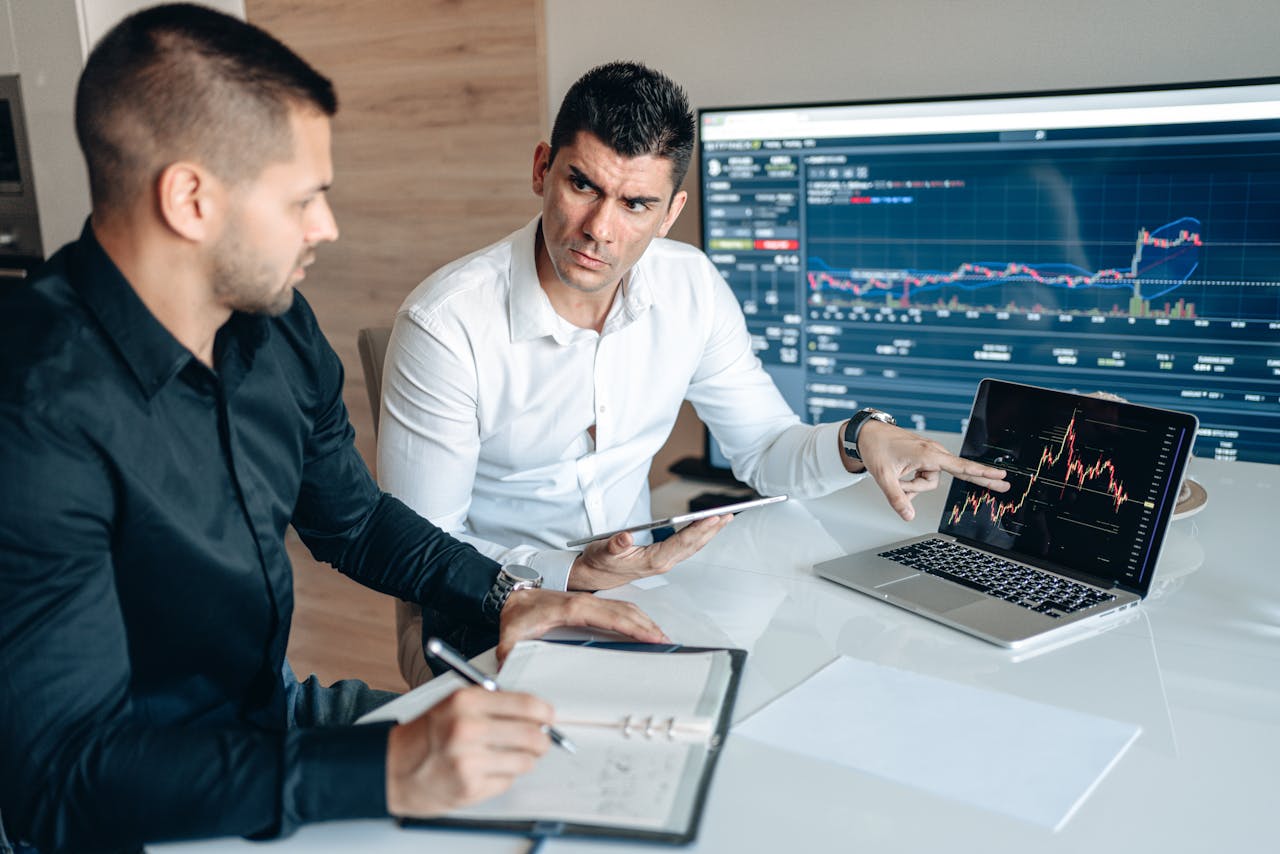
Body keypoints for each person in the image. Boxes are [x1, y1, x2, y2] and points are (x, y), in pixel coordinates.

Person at [0, 7, 671, 852]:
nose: (327, 227)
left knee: (584, 789)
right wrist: (385, 769)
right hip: (121, 800)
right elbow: (61, 782)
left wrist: (512, 595)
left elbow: (351, 519)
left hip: (268, 719)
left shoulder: (272, 328)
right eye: (303, 200)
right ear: (191, 198)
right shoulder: (30, 412)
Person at [378, 61, 1009, 680]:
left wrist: (856, 438)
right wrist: (568, 573)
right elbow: (416, 545)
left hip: (643, 585)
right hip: (492, 602)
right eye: (583, 186)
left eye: (635, 203)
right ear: (543, 168)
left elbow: (763, 448)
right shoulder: (446, 324)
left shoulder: (691, 287)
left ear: (670, 211)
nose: (600, 230)